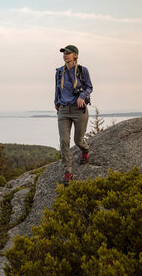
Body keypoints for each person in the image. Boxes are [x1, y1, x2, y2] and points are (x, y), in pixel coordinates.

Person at [54, 45, 93, 186]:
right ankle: (68, 171)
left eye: (68, 53)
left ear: (75, 55)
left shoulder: (82, 70)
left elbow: (89, 87)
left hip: (79, 109)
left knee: (78, 140)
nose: (65, 55)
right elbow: (57, 88)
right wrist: (56, 102)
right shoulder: (59, 72)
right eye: (64, 53)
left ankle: (85, 150)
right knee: (64, 141)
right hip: (63, 110)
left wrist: (82, 96)